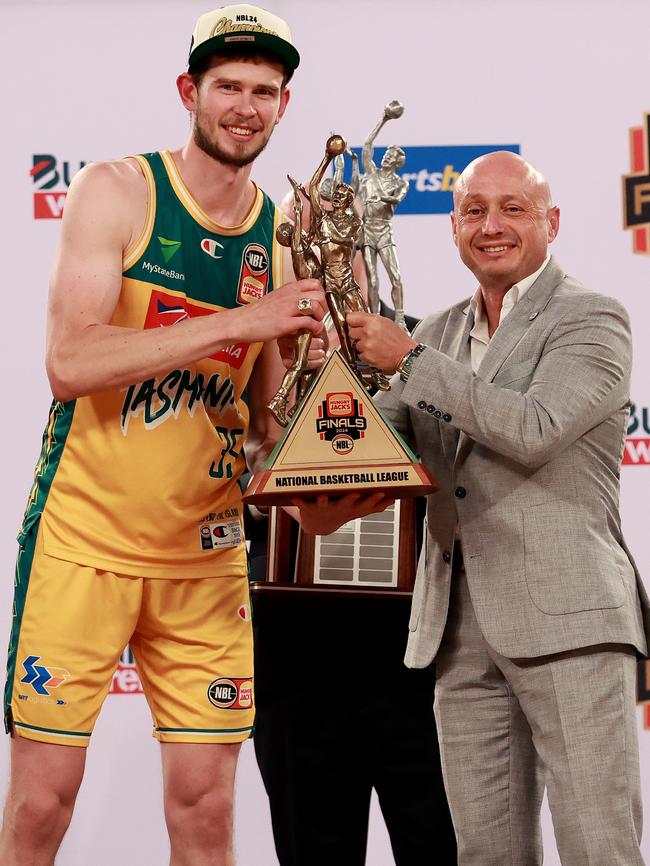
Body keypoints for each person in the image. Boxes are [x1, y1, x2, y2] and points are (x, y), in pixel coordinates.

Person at [0, 6, 329, 865]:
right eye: (228, 86)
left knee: (205, 810)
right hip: (84, 543)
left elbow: (262, 422)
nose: (246, 106)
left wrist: (315, 442)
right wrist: (242, 317)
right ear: (191, 91)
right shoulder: (120, 189)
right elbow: (69, 358)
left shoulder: (284, 239)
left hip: (205, 558)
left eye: (265, 90)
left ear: (283, 107)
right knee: (41, 807)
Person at [298, 150, 650, 865]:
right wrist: (322, 401)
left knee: (597, 848)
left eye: (513, 209)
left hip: (570, 622)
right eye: (473, 211)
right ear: (453, 228)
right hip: (456, 633)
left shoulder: (592, 318)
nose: (492, 225)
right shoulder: (436, 332)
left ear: (551, 223)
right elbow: (383, 448)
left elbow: (533, 429)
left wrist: (408, 360)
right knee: (486, 856)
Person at [357, 104, 409, 331]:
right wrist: (383, 119)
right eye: (386, 154)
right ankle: (373, 319)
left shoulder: (400, 182)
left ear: (398, 162)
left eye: (391, 156)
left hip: (384, 231)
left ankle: (399, 318)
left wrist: (380, 198)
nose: (386, 158)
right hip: (367, 230)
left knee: (395, 277)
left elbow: (396, 199)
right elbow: (367, 146)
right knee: (373, 280)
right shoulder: (370, 173)